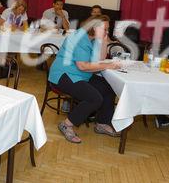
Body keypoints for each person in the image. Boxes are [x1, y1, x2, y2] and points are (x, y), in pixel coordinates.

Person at [48, 15, 121, 143]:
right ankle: (66, 124)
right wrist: (108, 65)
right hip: (63, 74)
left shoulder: (92, 39)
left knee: (108, 88)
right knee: (94, 98)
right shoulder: (79, 38)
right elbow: (82, 66)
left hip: (80, 75)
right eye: (105, 29)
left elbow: (100, 58)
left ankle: (102, 123)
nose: (107, 32)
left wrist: (103, 40)